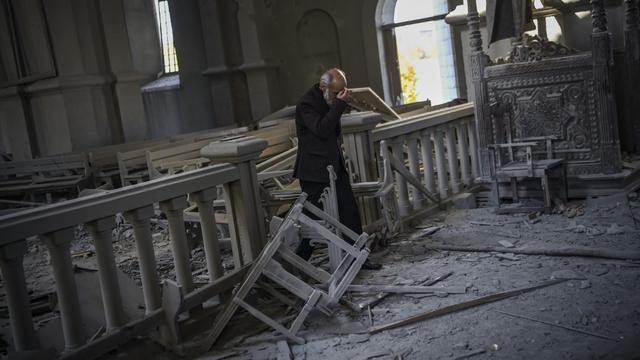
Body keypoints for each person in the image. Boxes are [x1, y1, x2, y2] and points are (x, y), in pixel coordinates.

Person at [292, 68, 381, 270]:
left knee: (350, 213)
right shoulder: (306, 103)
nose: (340, 96)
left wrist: (339, 103)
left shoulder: (329, 99)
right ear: (323, 87)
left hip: (334, 166)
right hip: (314, 171)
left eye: (342, 92)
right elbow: (322, 129)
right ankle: (297, 265)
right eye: (335, 93)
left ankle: (359, 257)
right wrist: (340, 104)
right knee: (311, 220)